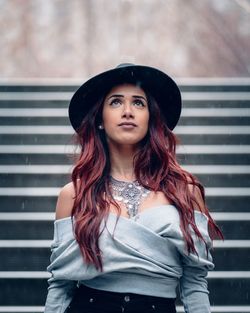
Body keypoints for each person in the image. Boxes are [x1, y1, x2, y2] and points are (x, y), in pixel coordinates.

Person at [44, 63, 223, 313]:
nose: (128, 111)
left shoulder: (185, 191)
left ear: (151, 118)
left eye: (138, 103)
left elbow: (194, 283)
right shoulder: (74, 194)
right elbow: (61, 286)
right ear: (100, 119)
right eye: (116, 102)